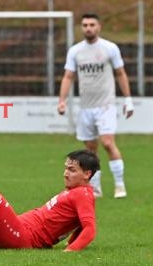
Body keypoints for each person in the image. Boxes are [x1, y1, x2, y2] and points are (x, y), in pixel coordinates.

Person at [57, 13, 134, 199]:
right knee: (90, 150)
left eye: (92, 24)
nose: (88, 28)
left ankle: (119, 184)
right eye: (85, 25)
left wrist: (128, 99)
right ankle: (96, 188)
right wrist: (62, 100)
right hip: (86, 107)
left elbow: (120, 72)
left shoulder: (109, 48)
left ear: (99, 27)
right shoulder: (75, 51)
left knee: (107, 142)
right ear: (81, 28)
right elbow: (68, 76)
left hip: (106, 105)